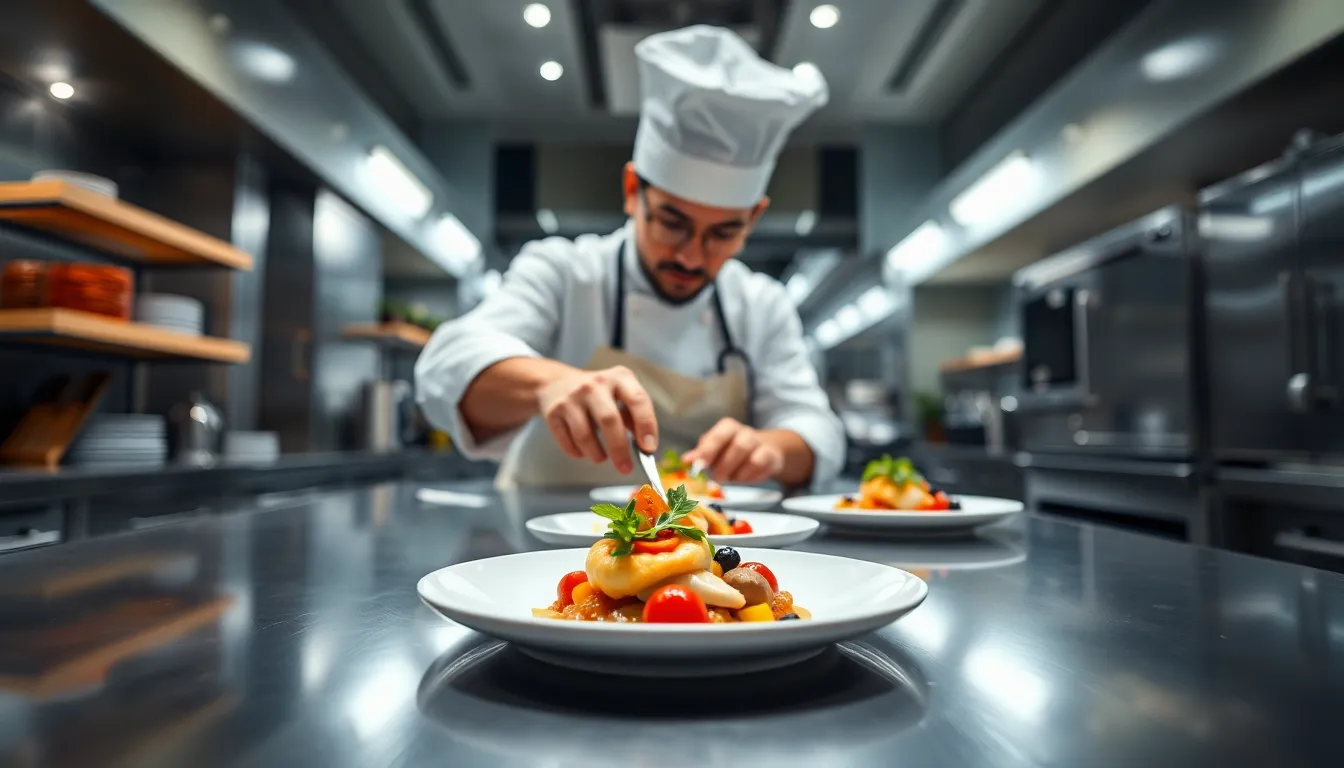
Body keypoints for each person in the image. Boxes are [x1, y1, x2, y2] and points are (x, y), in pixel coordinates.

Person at [415, 25, 844, 490]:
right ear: (632, 191)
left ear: (754, 218)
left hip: (695, 549)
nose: (691, 255)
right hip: (538, 544)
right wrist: (548, 384)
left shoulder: (761, 304)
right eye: (672, 223)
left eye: (723, 233)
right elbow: (446, 367)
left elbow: (817, 430)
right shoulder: (564, 271)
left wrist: (772, 450)